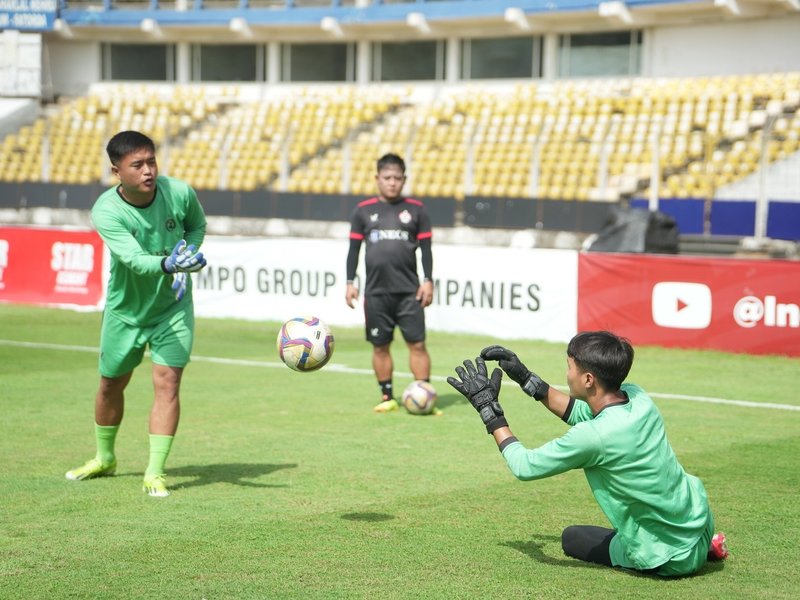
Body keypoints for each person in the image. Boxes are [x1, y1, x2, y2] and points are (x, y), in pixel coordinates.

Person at [447, 331, 729, 576]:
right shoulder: (638, 398)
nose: (567, 373)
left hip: (667, 558)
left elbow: (525, 466)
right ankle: (704, 548)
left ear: (588, 379)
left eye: (569, 367)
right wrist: (525, 378)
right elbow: (582, 412)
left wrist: (490, 411)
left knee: (572, 538)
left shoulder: (594, 437)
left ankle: (679, 554)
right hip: (700, 527)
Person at [65, 130, 208, 498]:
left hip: (172, 309)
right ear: (117, 171)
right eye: (137, 165)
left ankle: (155, 472)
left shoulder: (179, 192)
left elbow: (197, 227)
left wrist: (188, 254)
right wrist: (169, 262)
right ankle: (105, 457)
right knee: (111, 383)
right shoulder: (107, 210)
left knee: (168, 382)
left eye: (152, 161)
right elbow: (131, 259)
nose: (148, 171)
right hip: (125, 311)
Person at [345, 153, 434, 413]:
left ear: (404, 179)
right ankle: (387, 398)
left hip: (409, 292)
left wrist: (428, 280)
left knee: (417, 344)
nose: (392, 182)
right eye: (387, 178)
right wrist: (350, 281)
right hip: (376, 292)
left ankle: (424, 395)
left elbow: (426, 250)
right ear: (377, 178)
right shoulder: (362, 211)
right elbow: (353, 250)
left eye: (397, 178)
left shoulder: (417, 210)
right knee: (380, 345)